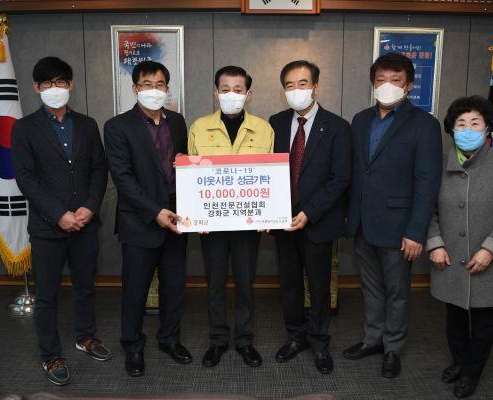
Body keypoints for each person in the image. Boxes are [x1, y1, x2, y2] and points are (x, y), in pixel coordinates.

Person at [343, 52, 443, 378]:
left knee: (397, 291)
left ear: (409, 85)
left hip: (400, 228)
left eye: (395, 80)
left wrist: (416, 231)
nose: (387, 85)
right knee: (371, 288)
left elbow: (427, 182)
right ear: (373, 84)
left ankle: (393, 348)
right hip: (362, 222)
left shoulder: (424, 124)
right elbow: (357, 171)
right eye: (381, 80)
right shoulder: (360, 120)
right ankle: (373, 339)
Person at [11, 56, 109, 386]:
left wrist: (90, 207)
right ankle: (51, 356)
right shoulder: (23, 128)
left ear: (71, 85)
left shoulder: (87, 124)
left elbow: (99, 170)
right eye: (47, 83)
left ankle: (85, 337)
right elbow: (26, 178)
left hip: (85, 223)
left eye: (61, 82)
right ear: (36, 88)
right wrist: (58, 214)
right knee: (47, 296)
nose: (55, 88)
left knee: (85, 287)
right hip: (46, 228)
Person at [426, 95, 493, 398]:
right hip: (449, 257)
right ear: (451, 129)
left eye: (475, 123)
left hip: (490, 261)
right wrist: (435, 244)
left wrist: (489, 250)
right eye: (460, 123)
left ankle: (471, 372)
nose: (467, 129)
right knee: (454, 318)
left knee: (484, 322)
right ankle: (460, 361)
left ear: (487, 129)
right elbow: (428, 210)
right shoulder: (438, 164)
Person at [104, 61, 191, 377]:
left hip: (176, 218)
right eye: (146, 84)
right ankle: (133, 345)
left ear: (168, 88)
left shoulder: (177, 121)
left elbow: (182, 166)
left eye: (159, 84)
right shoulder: (117, 127)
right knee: (135, 290)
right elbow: (123, 178)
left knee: (174, 287)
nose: (154, 90)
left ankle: (169, 339)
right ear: (135, 89)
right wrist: (155, 212)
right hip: (140, 221)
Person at [188, 66, 274, 368]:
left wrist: (267, 214)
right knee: (214, 284)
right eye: (225, 89)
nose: (231, 95)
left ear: (248, 94)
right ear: (216, 93)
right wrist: (196, 215)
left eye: (238, 90)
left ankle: (245, 341)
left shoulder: (264, 129)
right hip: (212, 224)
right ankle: (217, 340)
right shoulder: (199, 127)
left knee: (245, 284)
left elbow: (270, 177)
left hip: (248, 224)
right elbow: (192, 178)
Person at [269, 60, 351, 374]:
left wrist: (309, 211)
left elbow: (340, 179)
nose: (296, 90)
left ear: (315, 87)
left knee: (318, 285)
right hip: (283, 220)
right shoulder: (275, 123)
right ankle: (296, 336)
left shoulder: (337, 126)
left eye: (302, 84)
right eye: (289, 85)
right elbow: (264, 170)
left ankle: (319, 340)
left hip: (318, 219)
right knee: (289, 283)